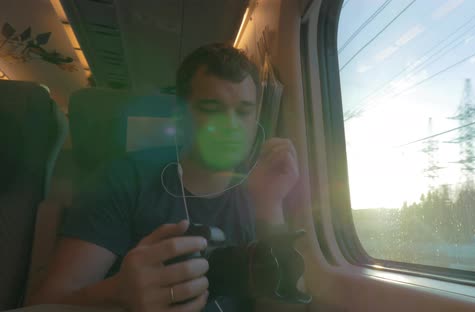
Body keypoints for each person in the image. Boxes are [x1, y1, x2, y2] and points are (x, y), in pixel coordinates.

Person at [28, 43, 299, 312]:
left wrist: (271, 207)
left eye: (243, 111)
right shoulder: (124, 180)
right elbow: (47, 302)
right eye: (211, 108)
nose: (230, 126)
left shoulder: (263, 192)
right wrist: (117, 293)